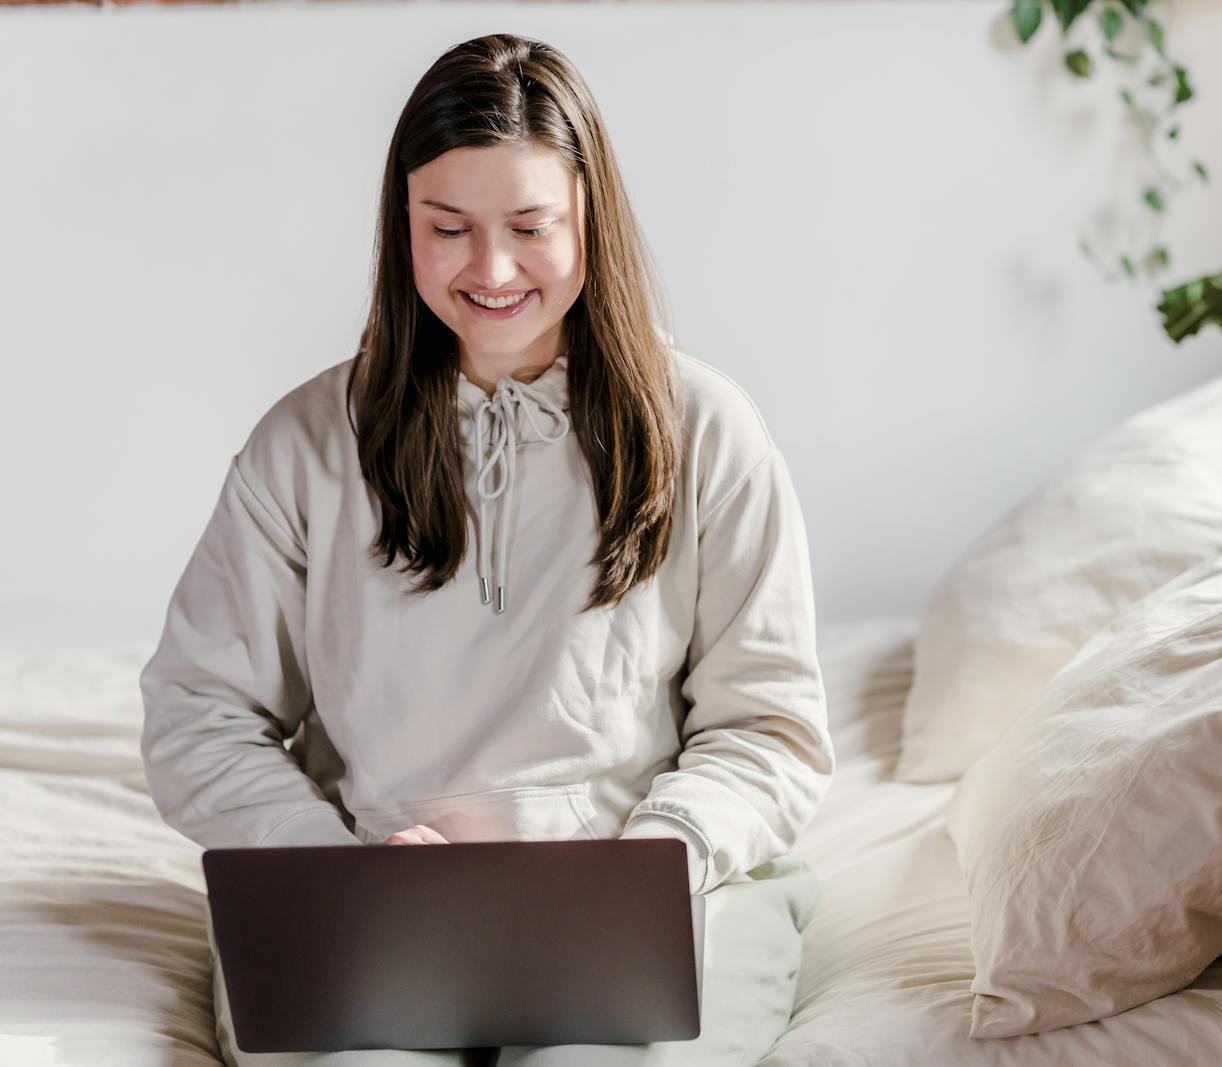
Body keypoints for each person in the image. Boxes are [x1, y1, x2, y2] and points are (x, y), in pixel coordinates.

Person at [139, 32, 832, 1067]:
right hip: (373, 913)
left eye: (530, 226)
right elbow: (196, 715)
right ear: (401, 225)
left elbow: (768, 727)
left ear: (590, 219)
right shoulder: (306, 443)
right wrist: (339, 864)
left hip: (637, 906)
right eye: (448, 227)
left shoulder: (707, 428)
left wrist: (651, 856)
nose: (491, 268)